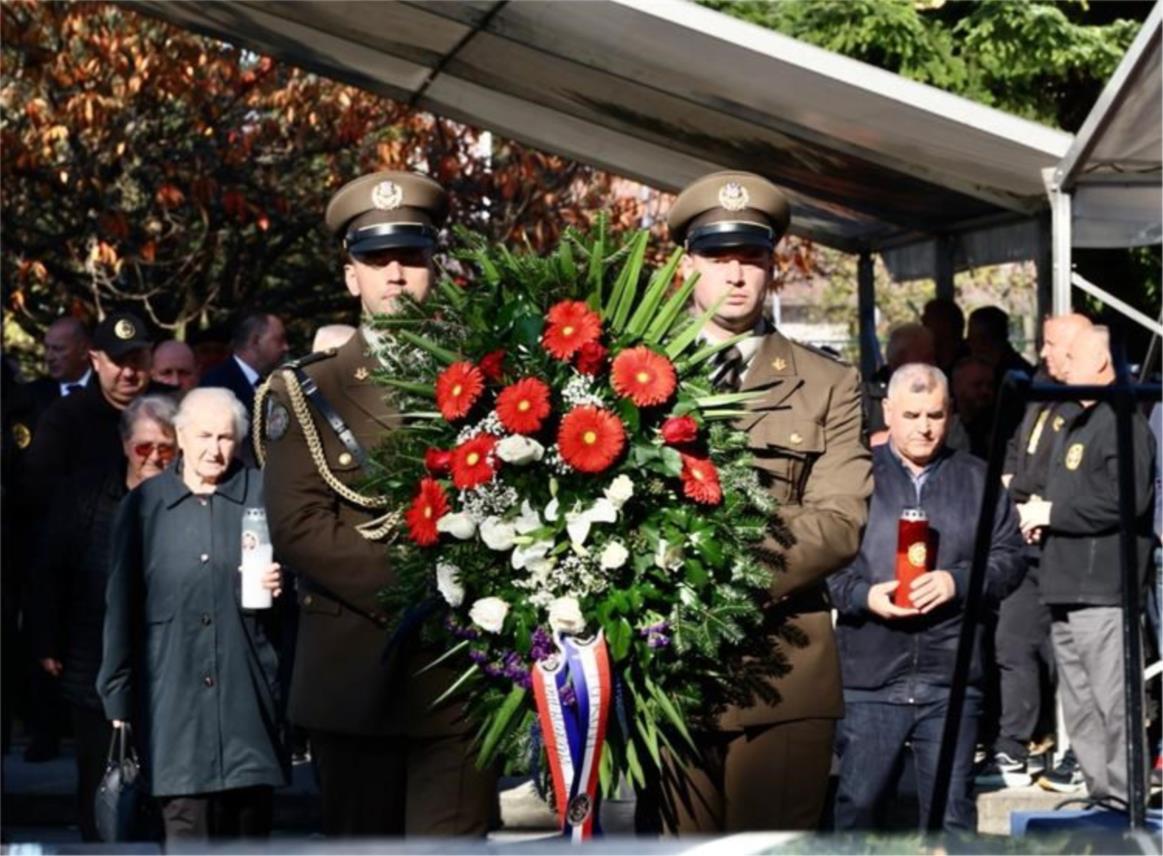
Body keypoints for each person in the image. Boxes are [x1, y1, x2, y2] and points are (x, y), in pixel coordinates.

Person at [259, 171, 495, 836]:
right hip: (355, 678)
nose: (395, 275)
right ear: (351, 277)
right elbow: (298, 527)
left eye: (411, 257)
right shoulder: (305, 391)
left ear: (433, 267)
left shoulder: (486, 379)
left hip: (461, 676)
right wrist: (426, 582)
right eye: (377, 259)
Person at [657, 171, 872, 832]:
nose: (735, 274)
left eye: (750, 257)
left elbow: (840, 522)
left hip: (782, 671)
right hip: (669, 668)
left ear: (772, 266)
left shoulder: (826, 382)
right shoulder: (638, 373)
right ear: (687, 265)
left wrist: (717, 559)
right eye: (718, 257)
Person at [829, 363, 1026, 831]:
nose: (924, 427)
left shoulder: (977, 479)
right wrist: (864, 596)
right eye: (912, 415)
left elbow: (1011, 558)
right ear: (887, 412)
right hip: (871, 677)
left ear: (950, 413)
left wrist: (958, 582)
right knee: (858, 811)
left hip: (951, 677)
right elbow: (825, 565)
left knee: (951, 816)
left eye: (935, 415)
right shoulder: (857, 479)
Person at [98, 387, 287, 844]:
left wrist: (285, 583)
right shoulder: (145, 505)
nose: (214, 449)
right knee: (185, 834)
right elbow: (121, 606)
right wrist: (118, 699)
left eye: (225, 437)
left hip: (247, 709)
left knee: (247, 835)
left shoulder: (263, 495)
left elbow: (302, 593)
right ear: (180, 436)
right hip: (174, 716)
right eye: (204, 436)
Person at [1019, 326, 1157, 806]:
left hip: (1104, 588)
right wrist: (1042, 518)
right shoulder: (1074, 420)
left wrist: (1052, 513)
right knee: (1080, 704)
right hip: (1064, 583)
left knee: (1113, 702)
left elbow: (1127, 499)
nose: (1061, 363)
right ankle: (1102, 796)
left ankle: (1125, 799)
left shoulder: (1122, 421)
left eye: (1072, 354)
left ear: (1101, 362)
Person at [28, 395, 177, 840]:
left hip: (169, 667)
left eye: (166, 448)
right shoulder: (86, 495)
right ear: (125, 445)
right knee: (100, 782)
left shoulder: (187, 497)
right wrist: (47, 640)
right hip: (93, 659)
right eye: (144, 447)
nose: (154, 457)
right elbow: (51, 570)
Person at [981, 313, 1091, 788]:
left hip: (1068, 547)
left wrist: (1044, 509)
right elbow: (1013, 451)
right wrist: (1013, 501)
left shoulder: (1091, 407)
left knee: (1071, 655)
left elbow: (1084, 476)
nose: (1042, 353)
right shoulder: (1038, 395)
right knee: (1012, 643)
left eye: (1050, 344)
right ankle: (1013, 747)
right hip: (1024, 543)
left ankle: (1079, 753)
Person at [23, 310, 155, 510]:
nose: (129, 372)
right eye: (118, 361)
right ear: (95, 361)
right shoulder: (64, 417)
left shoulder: (172, 408)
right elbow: (38, 492)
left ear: (150, 357)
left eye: (136, 360)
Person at [199, 312, 289, 418]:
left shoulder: (269, 385)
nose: (286, 347)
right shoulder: (217, 384)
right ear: (256, 341)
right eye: (279, 340)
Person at [865, 323, 936, 442]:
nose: (931, 365)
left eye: (932, 358)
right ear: (898, 360)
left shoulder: (939, 394)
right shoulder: (865, 400)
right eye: (924, 358)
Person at [948, 355, 996, 459]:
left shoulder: (1003, 429)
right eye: (977, 385)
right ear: (956, 387)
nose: (985, 391)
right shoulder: (946, 429)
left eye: (990, 385)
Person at [921, 298, 966, 379]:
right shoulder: (923, 361)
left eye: (927, 320)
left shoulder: (968, 363)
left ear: (946, 325)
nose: (923, 325)